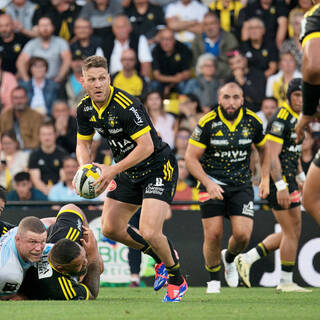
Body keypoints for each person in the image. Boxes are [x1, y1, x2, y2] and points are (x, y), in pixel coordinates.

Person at [75, 55, 187, 302]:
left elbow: (146, 147)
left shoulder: (127, 105)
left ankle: (176, 278)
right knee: (110, 228)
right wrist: (86, 170)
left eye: (102, 78)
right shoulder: (84, 108)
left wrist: (111, 170)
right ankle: (160, 258)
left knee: (149, 231)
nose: (97, 84)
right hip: (128, 170)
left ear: (109, 79)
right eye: (91, 79)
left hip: (158, 167)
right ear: (83, 81)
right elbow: (83, 144)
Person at [184, 82, 269, 293]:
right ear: (220, 99)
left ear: (242, 99)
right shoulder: (208, 122)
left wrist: (265, 178)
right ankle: (213, 281)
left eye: (236, 97)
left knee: (242, 236)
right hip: (211, 183)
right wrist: (208, 183)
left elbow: (265, 150)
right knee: (213, 234)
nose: (231, 102)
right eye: (227, 97)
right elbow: (190, 158)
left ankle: (229, 258)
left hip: (241, 185)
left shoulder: (253, 121)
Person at [235, 78, 312, 292]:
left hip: (289, 181)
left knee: (293, 230)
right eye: (296, 95)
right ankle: (286, 281)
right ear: (289, 97)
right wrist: (280, 185)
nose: (300, 99)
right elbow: (271, 155)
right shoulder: (281, 118)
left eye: (303, 95)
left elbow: (293, 152)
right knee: (291, 232)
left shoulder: (297, 117)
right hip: (281, 183)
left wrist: (302, 179)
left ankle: (247, 258)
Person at [18, 203, 101, 300]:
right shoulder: (58, 288)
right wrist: (94, 256)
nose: (86, 262)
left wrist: (88, 234)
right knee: (96, 268)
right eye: (80, 264)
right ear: (61, 269)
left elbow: (71, 207)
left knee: (97, 267)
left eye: (85, 256)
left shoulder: (66, 233)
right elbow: (92, 294)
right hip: (18, 281)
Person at [295, 0, 320, 225]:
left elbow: (313, 67)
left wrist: (308, 111)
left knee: (312, 199)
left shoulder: (315, 14)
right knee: (311, 197)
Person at [0, 216, 47, 299]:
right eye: (33, 242)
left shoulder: (22, 230)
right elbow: (9, 299)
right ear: (17, 239)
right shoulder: (10, 274)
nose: (38, 248)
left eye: (43, 241)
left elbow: (70, 207)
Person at [16, 16, 72, 83]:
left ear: (53, 27)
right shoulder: (31, 44)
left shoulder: (61, 42)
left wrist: (59, 78)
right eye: (42, 26)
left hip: (55, 82)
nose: (45, 28)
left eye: (47, 25)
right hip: (35, 82)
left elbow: (67, 60)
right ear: (38, 28)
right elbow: (20, 62)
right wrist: (26, 79)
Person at [101, 14, 152, 78]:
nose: (121, 30)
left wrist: (143, 83)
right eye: (118, 27)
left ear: (130, 27)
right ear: (113, 29)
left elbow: (146, 64)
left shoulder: (139, 39)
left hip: (135, 81)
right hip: (111, 82)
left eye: (123, 27)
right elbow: (99, 68)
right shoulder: (105, 43)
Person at [192, 12, 238, 81]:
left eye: (212, 23)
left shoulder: (230, 39)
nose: (209, 28)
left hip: (225, 77)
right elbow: (195, 61)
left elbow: (232, 61)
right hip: (202, 79)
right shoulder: (197, 40)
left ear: (219, 24)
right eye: (206, 25)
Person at [28, 121, 68, 196]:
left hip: (60, 192)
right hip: (40, 193)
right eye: (44, 134)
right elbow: (36, 180)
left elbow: (64, 177)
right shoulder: (34, 155)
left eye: (49, 134)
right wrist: (48, 192)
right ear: (39, 136)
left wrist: (54, 192)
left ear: (55, 135)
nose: (47, 137)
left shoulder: (63, 154)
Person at [152, 28, 193, 96]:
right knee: (154, 85)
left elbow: (187, 73)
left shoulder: (183, 49)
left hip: (179, 82)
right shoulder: (156, 50)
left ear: (174, 40)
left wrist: (170, 86)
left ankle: (185, 104)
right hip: (163, 82)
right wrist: (173, 80)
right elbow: (157, 76)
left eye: (168, 39)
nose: (165, 43)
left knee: (186, 84)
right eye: (163, 39)